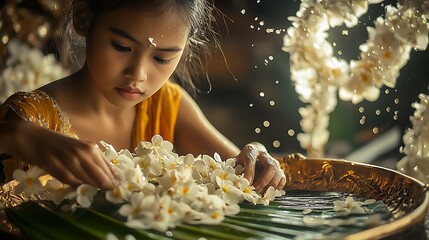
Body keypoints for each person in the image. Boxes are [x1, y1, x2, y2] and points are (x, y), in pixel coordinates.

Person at [0, 0, 286, 193]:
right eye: (121, 47)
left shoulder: (167, 106)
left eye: (162, 59)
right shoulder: (32, 118)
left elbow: (238, 167)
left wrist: (256, 152)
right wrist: (18, 136)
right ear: (84, 21)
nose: (137, 75)